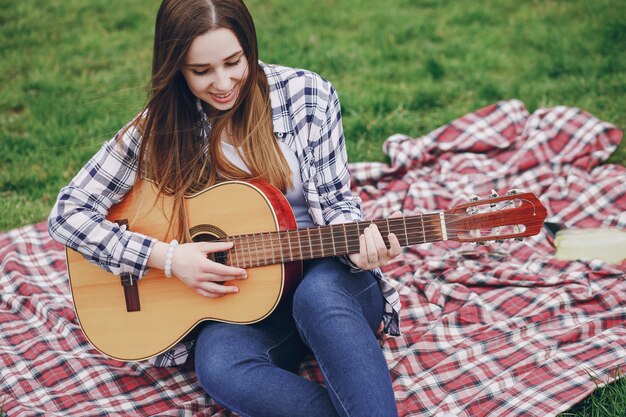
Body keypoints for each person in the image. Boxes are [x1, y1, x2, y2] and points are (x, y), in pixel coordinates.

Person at [48, 0, 402, 415]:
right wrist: (168, 257)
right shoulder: (159, 130)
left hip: (328, 278)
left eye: (234, 62)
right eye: (201, 71)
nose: (223, 82)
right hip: (243, 300)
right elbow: (68, 213)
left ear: (249, 46)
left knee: (318, 296)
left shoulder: (308, 95)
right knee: (219, 365)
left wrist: (360, 245)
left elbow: (338, 202)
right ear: (176, 67)